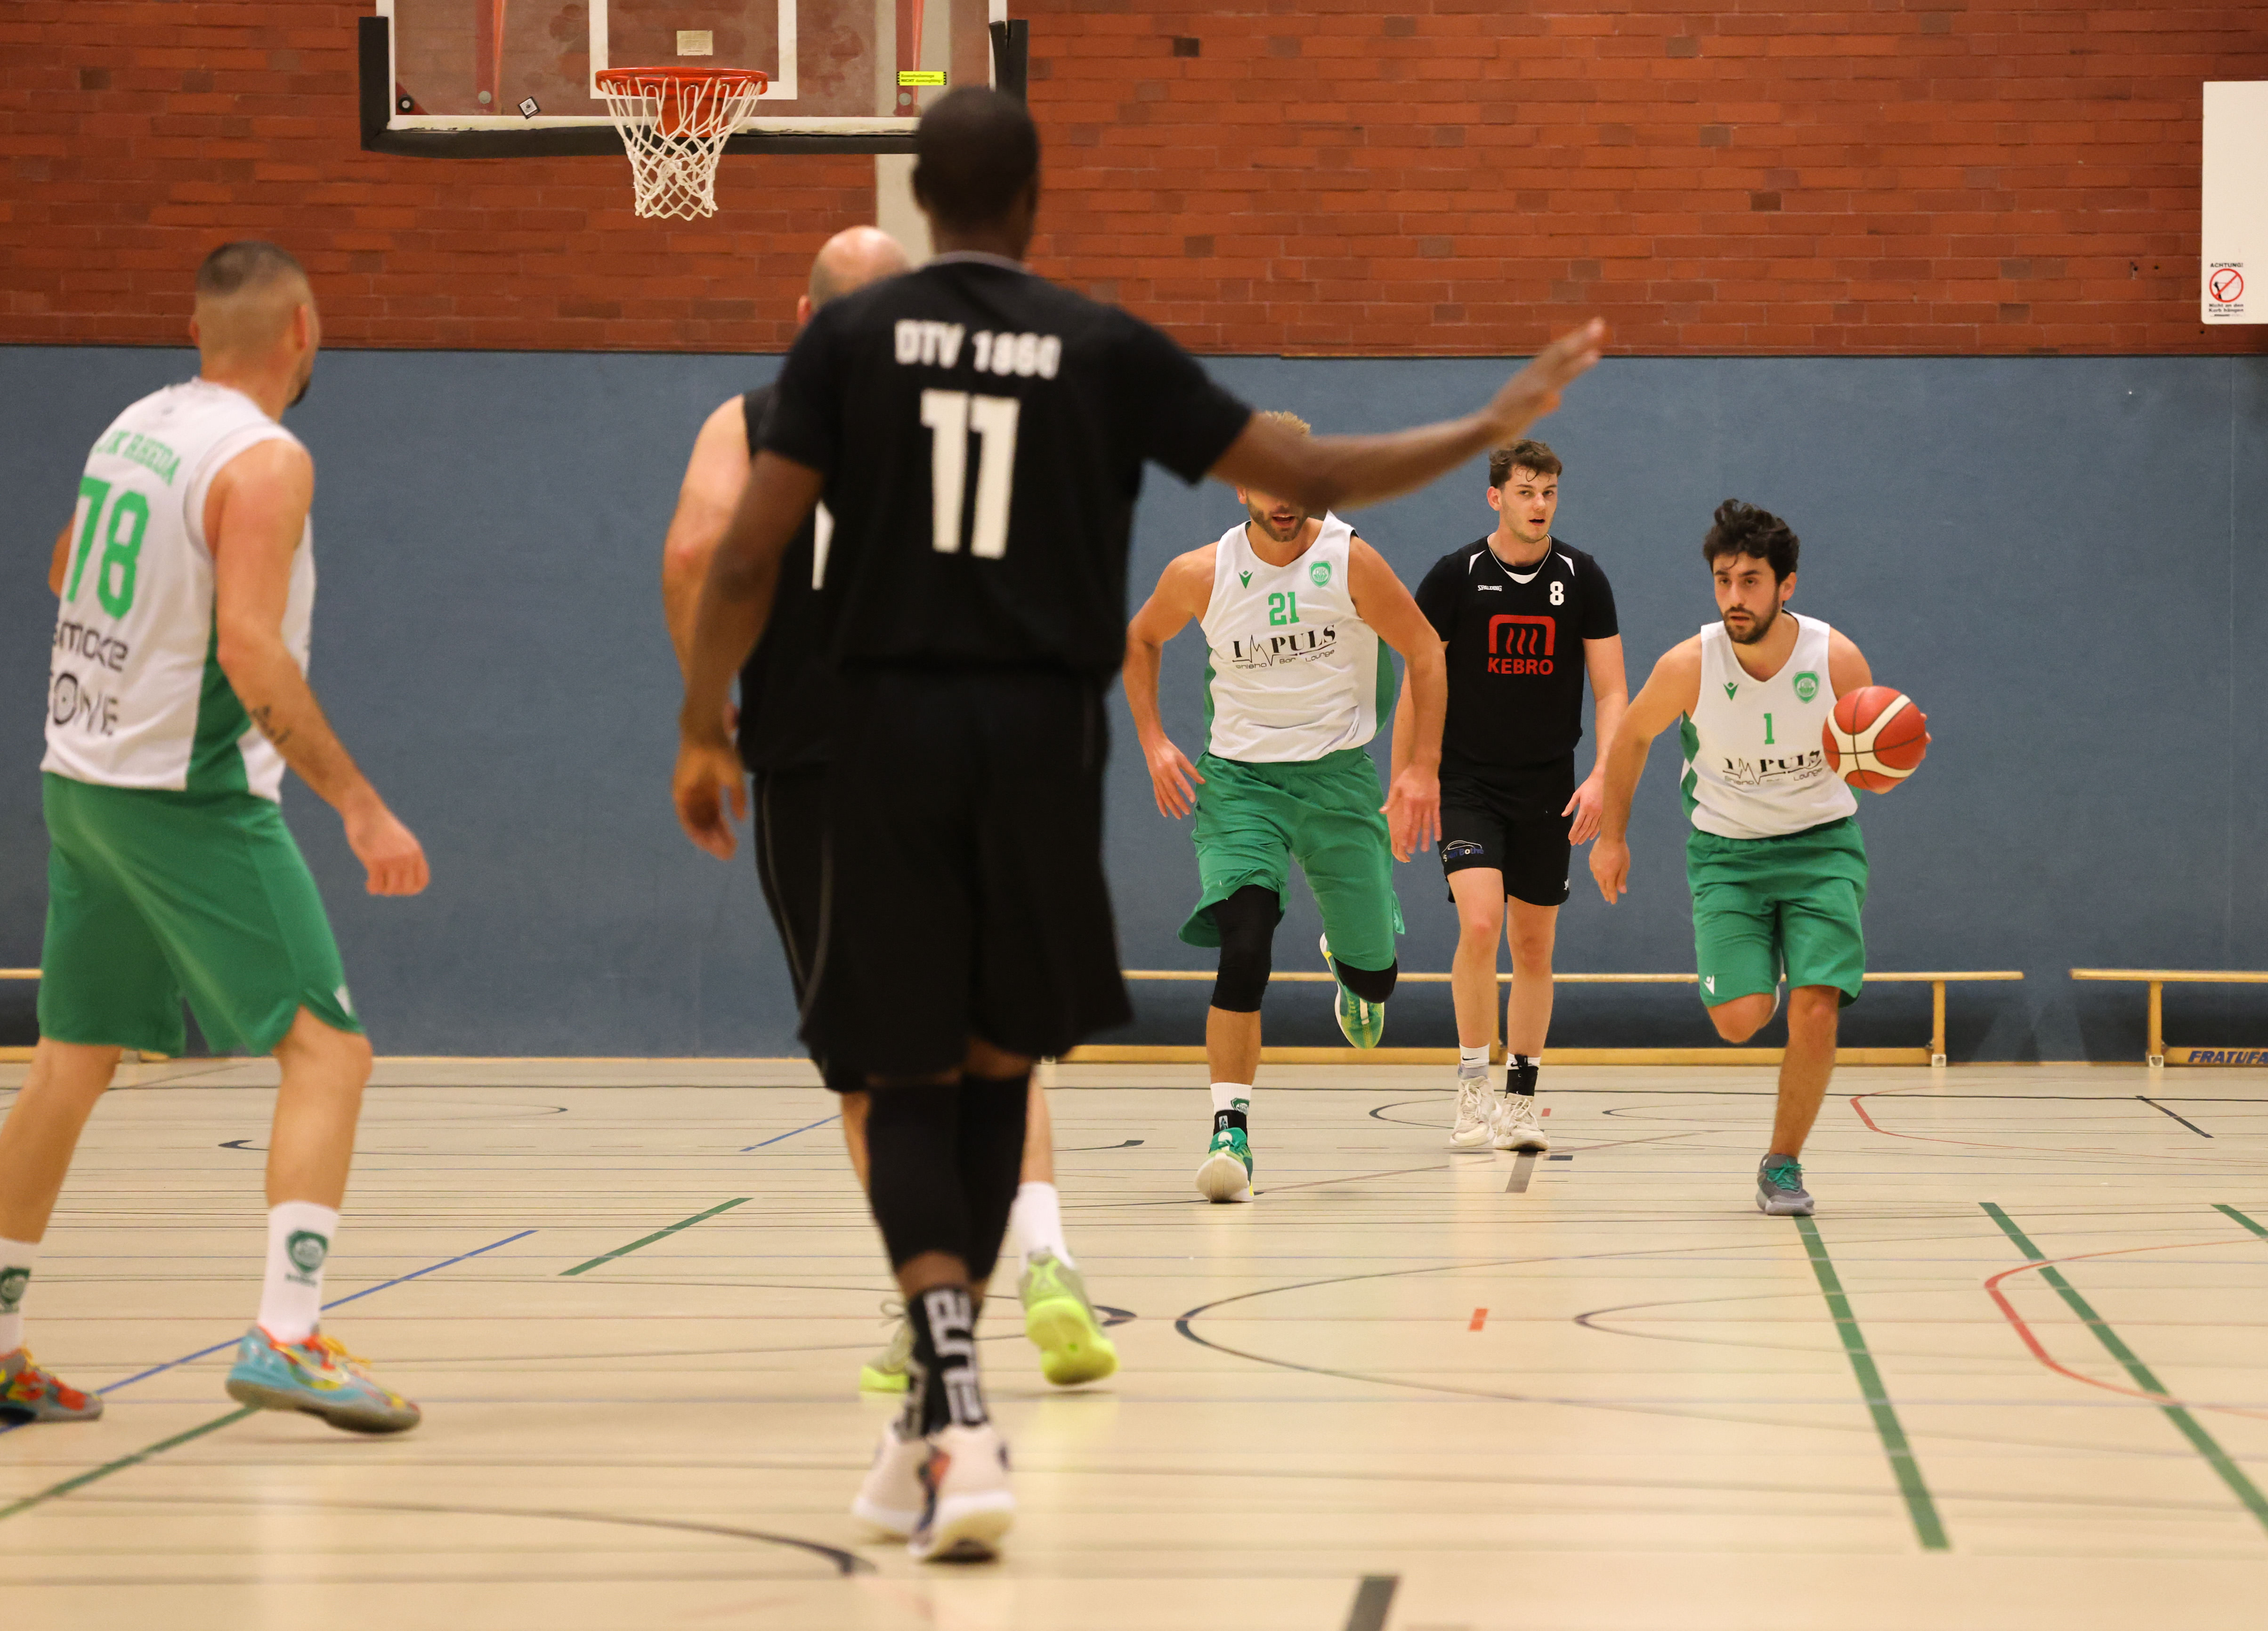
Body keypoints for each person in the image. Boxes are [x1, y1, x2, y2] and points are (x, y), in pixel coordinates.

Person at [672, 88, 1605, 1561]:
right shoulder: (1091, 343)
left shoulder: (847, 346)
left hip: (882, 743)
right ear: (1034, 205)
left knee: (900, 1083)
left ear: (922, 204)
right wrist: (1489, 424)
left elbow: (738, 555)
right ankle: (945, 1412)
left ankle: (949, 1398)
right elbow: (1311, 477)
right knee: (998, 1072)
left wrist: (698, 724)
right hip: (1036, 753)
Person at [0, 242, 430, 1434]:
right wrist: (358, 803)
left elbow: (66, 568)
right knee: (330, 1052)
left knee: (69, 1062)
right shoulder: (266, 459)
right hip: (189, 797)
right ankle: (287, 1334)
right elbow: (250, 653)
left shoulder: (137, 423)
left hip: (81, 781)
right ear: (304, 329)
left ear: (197, 330)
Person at [658, 226, 1118, 1398]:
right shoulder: (981, 412)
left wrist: (707, 713)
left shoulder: (754, 420)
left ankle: (933, 1318)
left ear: (801, 318)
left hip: (820, 762)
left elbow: (699, 549)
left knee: (873, 1070)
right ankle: (1048, 1257)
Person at [1123, 412, 1448, 1204]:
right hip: (1240, 785)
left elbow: (1425, 649)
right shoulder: (1200, 573)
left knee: (1376, 982)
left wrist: (1420, 768)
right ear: (1240, 486)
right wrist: (1154, 741)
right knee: (1246, 938)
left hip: (1337, 783)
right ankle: (1229, 1131)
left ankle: (1348, 958)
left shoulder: (1350, 562)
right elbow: (1140, 639)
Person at [1589, 501, 1912, 1216]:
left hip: (1822, 846)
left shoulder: (1835, 658)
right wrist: (1613, 838)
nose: (1734, 596)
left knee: (1816, 1008)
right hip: (1726, 856)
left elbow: (1869, 748)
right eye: (1723, 580)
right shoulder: (1688, 665)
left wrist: (1886, 762)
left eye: (1751, 581)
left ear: (1786, 585)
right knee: (1740, 1018)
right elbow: (1631, 738)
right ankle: (1750, 966)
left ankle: (1782, 1164)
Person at [1404, 440, 1625, 1153]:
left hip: (1548, 785)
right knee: (1479, 924)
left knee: (1533, 945)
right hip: (1466, 782)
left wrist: (1603, 775)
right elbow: (1416, 684)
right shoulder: (1454, 576)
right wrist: (1409, 777)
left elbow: (1612, 691)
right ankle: (1472, 1087)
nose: (1539, 505)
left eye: (1549, 492)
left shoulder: (1582, 578)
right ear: (1495, 497)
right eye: (1526, 492)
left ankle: (1521, 1101)